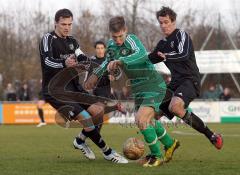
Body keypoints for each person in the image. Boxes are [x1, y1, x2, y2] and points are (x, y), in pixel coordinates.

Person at [85, 16, 179, 167]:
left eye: (120, 36)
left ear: (125, 31)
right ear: (110, 34)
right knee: (149, 121)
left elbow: (141, 55)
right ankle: (170, 143)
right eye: (114, 37)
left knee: (141, 120)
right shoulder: (111, 46)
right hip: (138, 88)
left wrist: (121, 61)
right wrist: (95, 75)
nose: (117, 40)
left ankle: (157, 156)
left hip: (152, 84)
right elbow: (106, 62)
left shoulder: (132, 40)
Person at [39, 9, 127, 163]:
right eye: (63, 24)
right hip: (56, 91)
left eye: (70, 24)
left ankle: (80, 141)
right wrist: (64, 63)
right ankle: (108, 152)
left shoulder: (72, 41)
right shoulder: (48, 39)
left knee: (98, 111)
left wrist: (89, 64)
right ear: (55, 23)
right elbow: (47, 61)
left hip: (74, 88)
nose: (67, 27)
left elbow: (82, 57)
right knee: (86, 118)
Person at [148, 6, 223, 150]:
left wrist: (167, 56)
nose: (163, 26)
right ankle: (168, 146)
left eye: (166, 22)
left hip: (190, 79)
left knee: (175, 107)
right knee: (151, 116)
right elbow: (150, 59)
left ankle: (211, 135)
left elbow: (183, 54)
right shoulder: (162, 43)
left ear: (173, 21)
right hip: (175, 83)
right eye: (161, 23)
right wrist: (127, 63)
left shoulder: (181, 35)